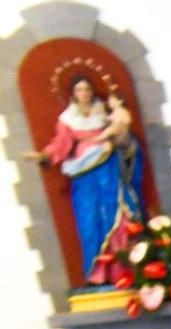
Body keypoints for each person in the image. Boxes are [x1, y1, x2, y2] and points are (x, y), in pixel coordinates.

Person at [24, 75, 146, 283]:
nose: (85, 94)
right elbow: (60, 144)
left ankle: (124, 268)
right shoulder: (67, 119)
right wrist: (44, 156)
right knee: (90, 217)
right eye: (80, 90)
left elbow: (120, 131)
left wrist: (123, 140)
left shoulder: (104, 112)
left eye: (88, 89)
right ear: (73, 94)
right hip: (85, 172)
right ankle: (99, 272)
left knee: (117, 210)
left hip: (109, 166)